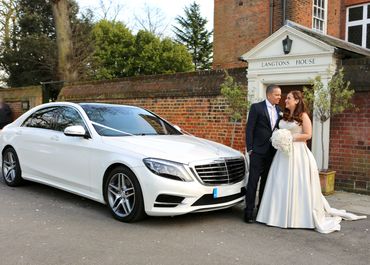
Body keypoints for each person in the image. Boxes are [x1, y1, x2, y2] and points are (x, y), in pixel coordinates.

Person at [256, 90, 366, 233]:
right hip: (282, 155)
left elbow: (308, 135)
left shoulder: (303, 116)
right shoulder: (284, 116)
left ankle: (297, 217)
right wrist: (279, 137)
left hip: (298, 154)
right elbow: (279, 130)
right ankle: (275, 215)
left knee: (297, 183)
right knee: (280, 182)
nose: (285, 100)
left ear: (296, 101)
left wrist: (289, 137)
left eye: (288, 98)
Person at [244, 84, 282, 223]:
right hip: (257, 151)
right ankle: (248, 212)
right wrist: (250, 149)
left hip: (271, 152)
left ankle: (261, 212)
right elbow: (249, 129)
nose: (279, 97)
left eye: (280, 95)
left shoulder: (279, 110)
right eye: (277, 95)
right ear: (269, 95)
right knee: (253, 182)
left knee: (266, 182)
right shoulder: (256, 107)